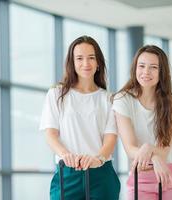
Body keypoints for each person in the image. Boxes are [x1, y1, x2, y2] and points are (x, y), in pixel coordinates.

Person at [39, 35, 120, 200]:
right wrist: (65, 154)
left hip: (101, 173)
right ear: (72, 63)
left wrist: (99, 158)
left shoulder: (109, 98)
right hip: (67, 173)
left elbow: (110, 138)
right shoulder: (56, 94)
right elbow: (50, 133)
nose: (86, 63)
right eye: (80, 58)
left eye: (91, 58)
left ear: (98, 63)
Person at [112, 45, 172, 199]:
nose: (146, 72)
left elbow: (165, 150)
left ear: (162, 73)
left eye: (153, 67)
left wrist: (150, 151)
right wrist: (153, 156)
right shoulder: (122, 100)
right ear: (135, 68)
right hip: (141, 175)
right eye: (141, 66)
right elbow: (130, 149)